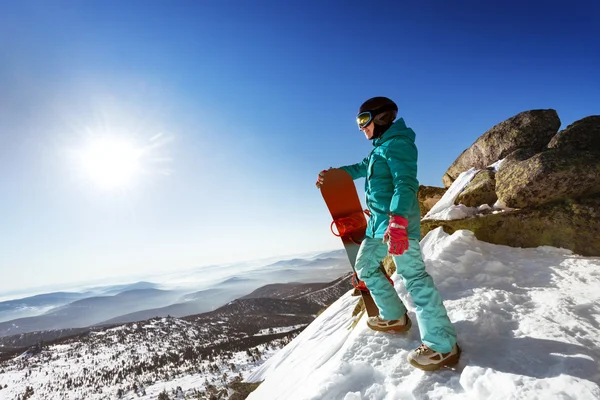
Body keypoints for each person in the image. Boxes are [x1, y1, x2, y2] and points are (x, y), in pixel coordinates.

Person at [316, 96, 459, 371]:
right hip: (377, 227)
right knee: (365, 267)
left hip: (396, 224)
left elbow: (405, 184)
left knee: (414, 278)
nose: (361, 128)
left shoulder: (398, 144)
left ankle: (443, 345)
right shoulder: (379, 148)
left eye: (363, 120)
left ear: (380, 118)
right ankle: (394, 316)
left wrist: (398, 221)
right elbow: (360, 168)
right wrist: (334, 175)